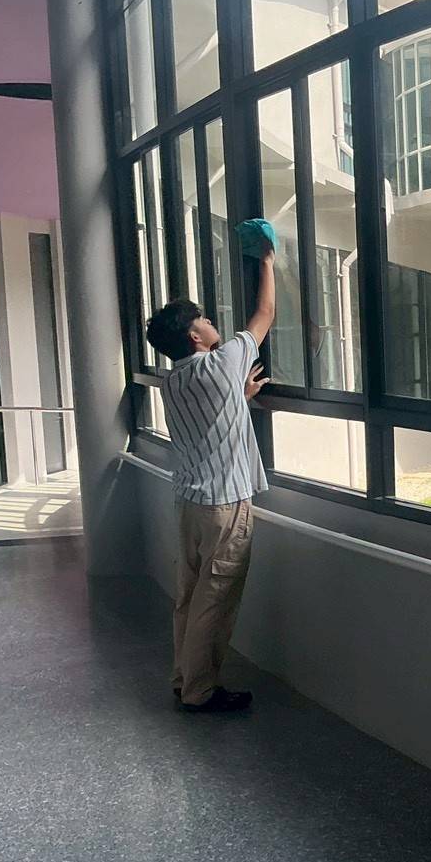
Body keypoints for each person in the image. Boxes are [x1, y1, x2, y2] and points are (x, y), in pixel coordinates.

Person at [145, 248, 276, 713]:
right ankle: (200, 691)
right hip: (225, 505)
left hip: (190, 501)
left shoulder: (173, 381)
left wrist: (240, 395)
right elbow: (264, 313)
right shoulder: (223, 363)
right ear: (195, 335)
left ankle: (184, 678)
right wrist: (266, 262)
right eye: (202, 319)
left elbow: (210, 418)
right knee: (214, 600)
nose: (210, 321)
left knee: (189, 595)